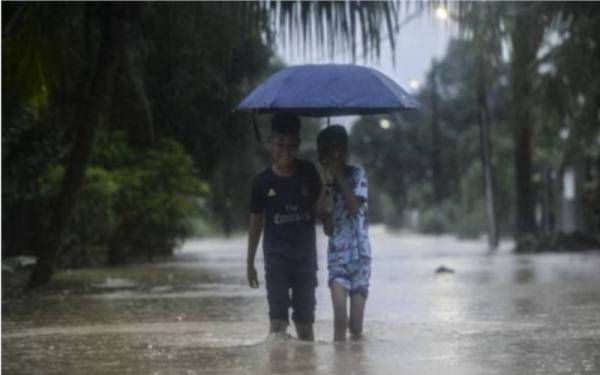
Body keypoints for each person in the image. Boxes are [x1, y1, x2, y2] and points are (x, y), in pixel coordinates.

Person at [246, 113, 321, 341]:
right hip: (276, 261)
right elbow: (256, 223)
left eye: (291, 145)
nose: (285, 151)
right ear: (270, 143)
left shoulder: (308, 173)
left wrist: (327, 182)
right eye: (280, 144)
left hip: (305, 262)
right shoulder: (261, 182)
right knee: (277, 325)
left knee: (305, 326)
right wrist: (249, 262)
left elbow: (321, 210)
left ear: (298, 145)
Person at [317, 125, 371, 342]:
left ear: (344, 151)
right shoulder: (327, 185)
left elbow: (353, 207)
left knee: (356, 327)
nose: (334, 156)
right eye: (328, 153)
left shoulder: (358, 174)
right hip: (338, 258)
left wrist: (338, 174)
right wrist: (326, 199)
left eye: (337, 151)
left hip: (360, 257)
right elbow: (327, 229)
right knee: (340, 319)